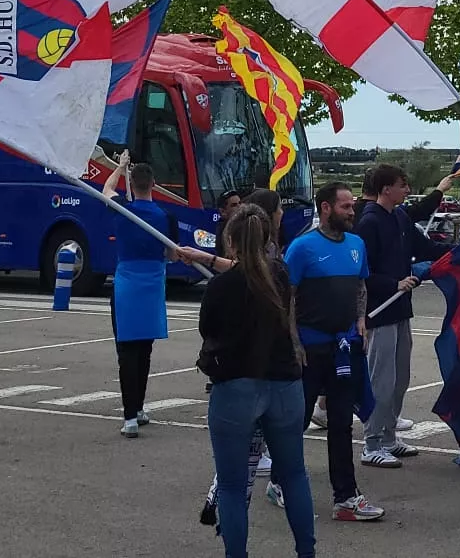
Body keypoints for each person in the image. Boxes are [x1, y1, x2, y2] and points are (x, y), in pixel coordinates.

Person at [188, 206, 316, 558]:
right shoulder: (279, 276)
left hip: (236, 385)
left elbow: (208, 330)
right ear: (268, 239)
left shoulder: (220, 287)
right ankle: (307, 551)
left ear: (230, 241)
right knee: (294, 475)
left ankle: (237, 554)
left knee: (231, 485)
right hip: (284, 384)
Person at [284, 182, 384, 522]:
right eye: (345, 207)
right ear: (326, 208)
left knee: (341, 424)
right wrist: (294, 343)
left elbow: (360, 285)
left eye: (352, 206)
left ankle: (346, 498)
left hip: (344, 349)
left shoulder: (356, 244)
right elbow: (287, 297)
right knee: (296, 419)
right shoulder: (302, 248)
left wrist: (360, 320)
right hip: (310, 350)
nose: (351, 212)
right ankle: (282, 481)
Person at [354, 164, 452, 469]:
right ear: (386, 189)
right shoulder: (369, 222)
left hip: (400, 308)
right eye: (402, 185)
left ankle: (388, 436)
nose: (407, 190)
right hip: (380, 310)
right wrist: (393, 283)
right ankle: (371, 443)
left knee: (400, 378)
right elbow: (362, 271)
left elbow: (424, 247)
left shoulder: (398, 217)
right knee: (381, 379)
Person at [103, 154, 177, 437]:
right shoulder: (166, 217)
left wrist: (120, 168)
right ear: (154, 185)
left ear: (132, 183)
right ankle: (139, 407)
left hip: (126, 286)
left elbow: (106, 190)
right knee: (144, 351)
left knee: (127, 352)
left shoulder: (123, 210)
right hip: (152, 285)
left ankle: (130, 416)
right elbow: (170, 254)